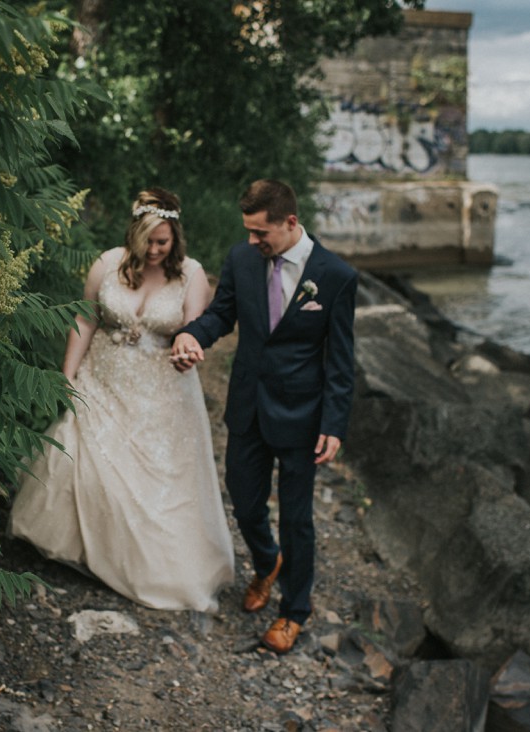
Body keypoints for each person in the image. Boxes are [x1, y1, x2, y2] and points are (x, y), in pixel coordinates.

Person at [9, 188, 235, 612]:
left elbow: (194, 329)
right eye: (146, 240)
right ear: (134, 233)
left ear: (175, 238)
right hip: (103, 376)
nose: (153, 250)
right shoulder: (107, 263)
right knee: (85, 459)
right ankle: (85, 553)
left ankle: (146, 565)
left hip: (161, 390)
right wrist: (68, 375)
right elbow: (85, 317)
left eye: (162, 242)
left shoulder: (192, 274)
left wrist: (187, 350)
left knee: (155, 482)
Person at [171, 179, 357, 653]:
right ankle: (267, 560)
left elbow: (340, 358)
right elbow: (222, 315)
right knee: (245, 499)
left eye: (261, 233)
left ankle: (294, 611)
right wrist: (194, 334)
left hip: (303, 416)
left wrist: (333, 424)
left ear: (290, 223)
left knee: (298, 519)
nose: (253, 242)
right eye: (249, 232)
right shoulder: (241, 260)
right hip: (249, 405)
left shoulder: (334, 275)